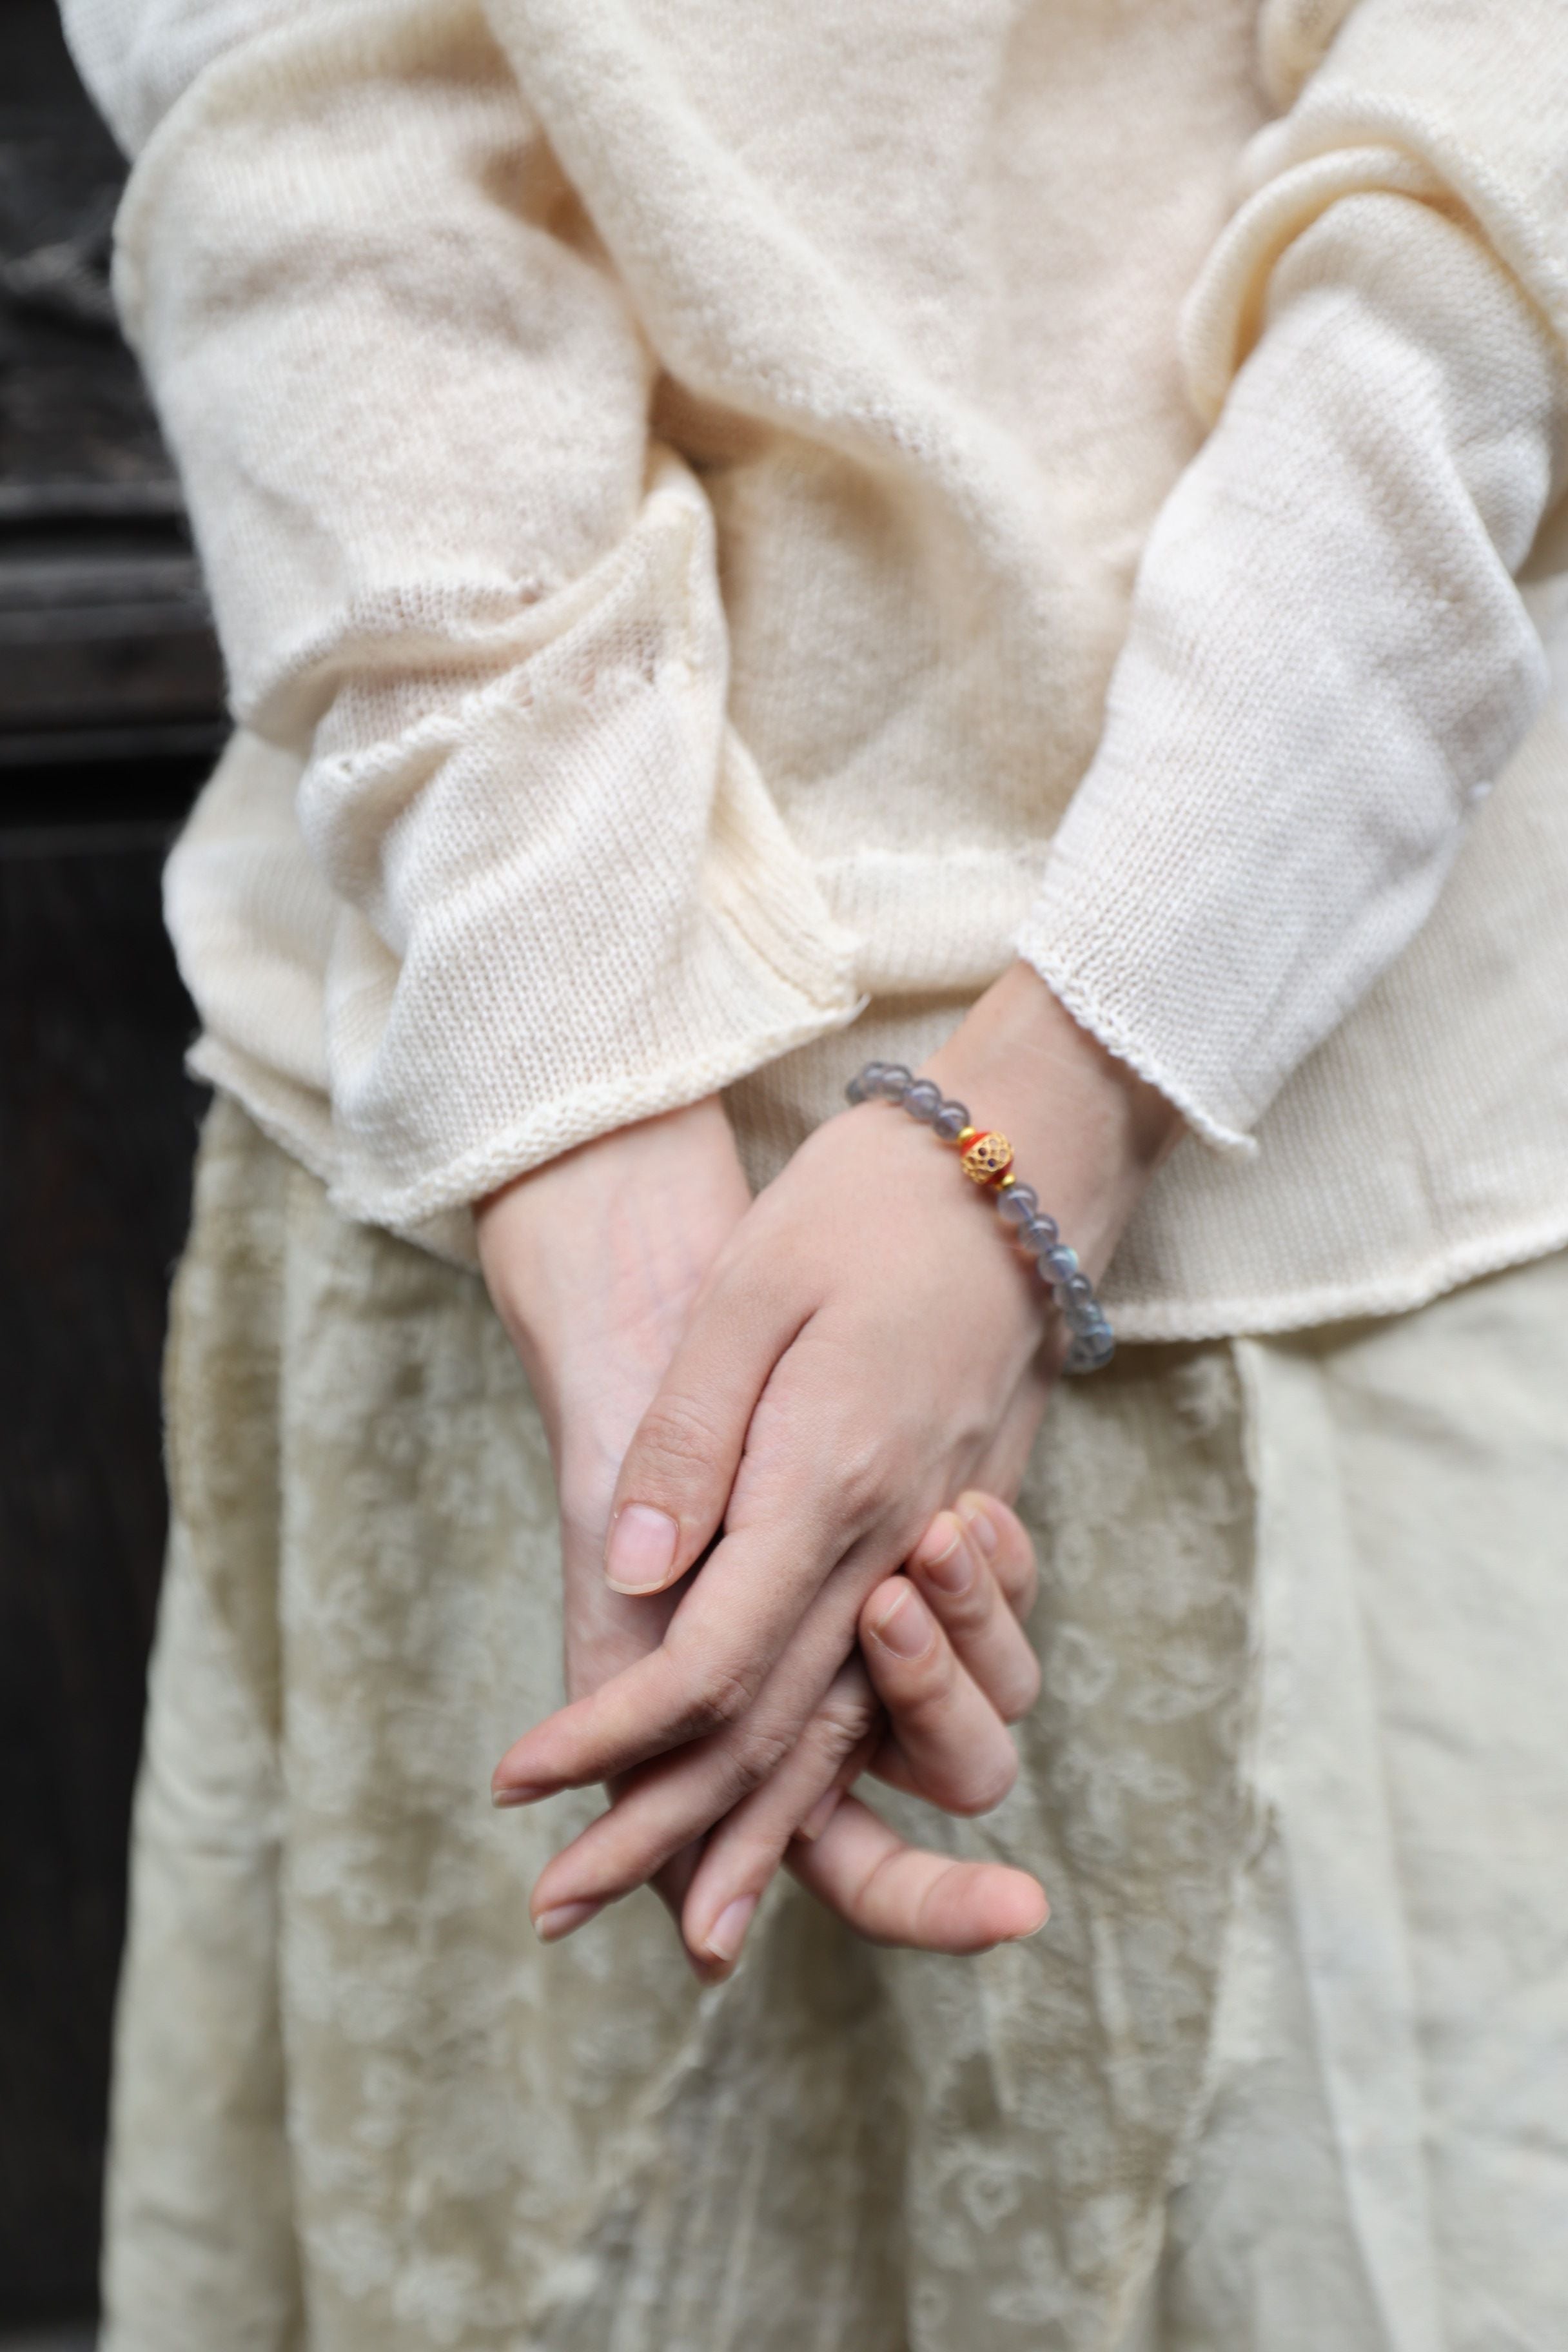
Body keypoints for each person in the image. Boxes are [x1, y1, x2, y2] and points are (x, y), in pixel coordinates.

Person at [63, 0, 1568, 2342]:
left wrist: (1046, 1101)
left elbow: (1502, 147)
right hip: (500, 1192)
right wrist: (581, 1110)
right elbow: (303, 109)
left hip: (1320, 1199)